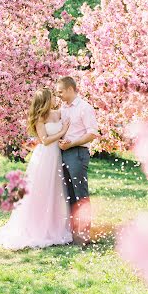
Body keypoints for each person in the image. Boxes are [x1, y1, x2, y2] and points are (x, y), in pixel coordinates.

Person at [0, 88, 72, 249]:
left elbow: (70, 111)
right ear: (46, 100)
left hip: (58, 155)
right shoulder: (40, 118)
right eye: (52, 96)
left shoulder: (57, 113)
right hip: (46, 156)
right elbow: (45, 140)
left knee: (55, 190)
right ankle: (38, 226)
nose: (55, 98)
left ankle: (55, 225)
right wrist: (62, 132)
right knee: (41, 190)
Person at [56, 77, 99, 246]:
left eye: (60, 91)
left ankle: (84, 233)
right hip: (64, 153)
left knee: (80, 193)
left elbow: (92, 133)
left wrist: (72, 143)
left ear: (70, 89)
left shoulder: (84, 108)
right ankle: (73, 232)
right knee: (69, 195)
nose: (58, 95)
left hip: (78, 153)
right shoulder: (63, 108)